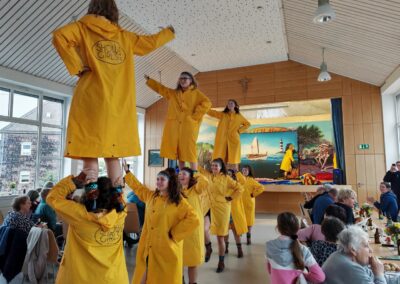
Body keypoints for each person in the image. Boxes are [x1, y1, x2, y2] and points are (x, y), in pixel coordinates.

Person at [52, 0, 175, 188]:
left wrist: (77, 67)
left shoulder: (81, 28)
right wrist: (168, 32)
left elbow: (59, 36)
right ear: (113, 12)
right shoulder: (125, 37)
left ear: (92, 8)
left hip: (90, 100)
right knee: (112, 156)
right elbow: (149, 43)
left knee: (89, 154)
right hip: (117, 105)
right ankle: (117, 203)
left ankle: (92, 202)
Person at [123, 161, 199, 284]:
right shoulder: (151, 196)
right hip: (149, 246)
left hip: (167, 249)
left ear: (170, 182)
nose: (159, 182)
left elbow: (194, 219)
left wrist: (175, 234)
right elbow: (138, 187)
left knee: (164, 279)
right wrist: (127, 172)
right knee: (145, 273)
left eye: (162, 179)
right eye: (157, 179)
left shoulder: (178, 201)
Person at [47, 170, 128, 284]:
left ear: (89, 194)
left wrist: (76, 181)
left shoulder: (79, 214)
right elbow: (118, 192)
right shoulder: (121, 212)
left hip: (80, 278)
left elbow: (52, 197)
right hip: (115, 278)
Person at [145, 72, 211, 170]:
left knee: (190, 151)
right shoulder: (174, 93)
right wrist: (150, 81)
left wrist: (194, 117)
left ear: (191, 80)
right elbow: (161, 89)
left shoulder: (196, 93)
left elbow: (207, 103)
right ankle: (182, 175)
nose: (183, 80)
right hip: (174, 127)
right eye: (181, 78)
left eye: (185, 78)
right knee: (180, 153)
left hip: (189, 127)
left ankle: (193, 176)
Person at [198, 158, 243, 272]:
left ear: (221, 167)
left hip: (221, 209)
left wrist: (231, 197)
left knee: (220, 238)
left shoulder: (226, 178)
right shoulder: (208, 176)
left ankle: (221, 261)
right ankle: (208, 248)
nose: (213, 168)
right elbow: (197, 168)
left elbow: (240, 188)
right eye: (212, 166)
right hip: (208, 207)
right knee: (203, 229)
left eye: (216, 166)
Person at [266, 212, 325, 284]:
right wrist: (303, 275)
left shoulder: (269, 246)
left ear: (278, 228)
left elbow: (269, 270)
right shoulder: (303, 250)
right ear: (297, 228)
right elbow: (320, 277)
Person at [178, 167, 209, 284]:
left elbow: (205, 182)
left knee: (193, 261)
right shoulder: (177, 191)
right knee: (179, 260)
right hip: (180, 230)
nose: (181, 175)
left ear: (191, 177)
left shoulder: (196, 189)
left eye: (184, 174)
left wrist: (196, 173)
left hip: (194, 231)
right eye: (179, 173)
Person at [207, 100, 250, 170]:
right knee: (221, 158)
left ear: (235, 106)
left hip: (234, 141)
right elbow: (212, 113)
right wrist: (204, 108)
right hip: (222, 140)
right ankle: (223, 175)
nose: (229, 104)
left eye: (231, 103)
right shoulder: (223, 114)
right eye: (228, 103)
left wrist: (239, 131)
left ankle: (234, 177)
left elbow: (248, 124)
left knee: (234, 160)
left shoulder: (239, 116)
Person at [236, 165, 264, 245]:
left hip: (249, 203)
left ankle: (248, 236)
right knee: (240, 219)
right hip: (240, 202)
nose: (244, 172)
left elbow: (261, 187)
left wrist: (253, 194)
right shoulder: (238, 179)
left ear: (249, 171)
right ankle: (239, 236)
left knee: (249, 220)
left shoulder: (252, 180)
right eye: (243, 170)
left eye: (246, 170)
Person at [225, 169, 247, 258]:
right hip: (225, 212)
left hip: (234, 213)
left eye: (230, 174)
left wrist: (237, 171)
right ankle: (226, 247)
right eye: (227, 174)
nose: (228, 176)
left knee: (236, 232)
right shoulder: (223, 185)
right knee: (224, 232)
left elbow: (243, 180)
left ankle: (239, 249)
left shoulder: (237, 185)